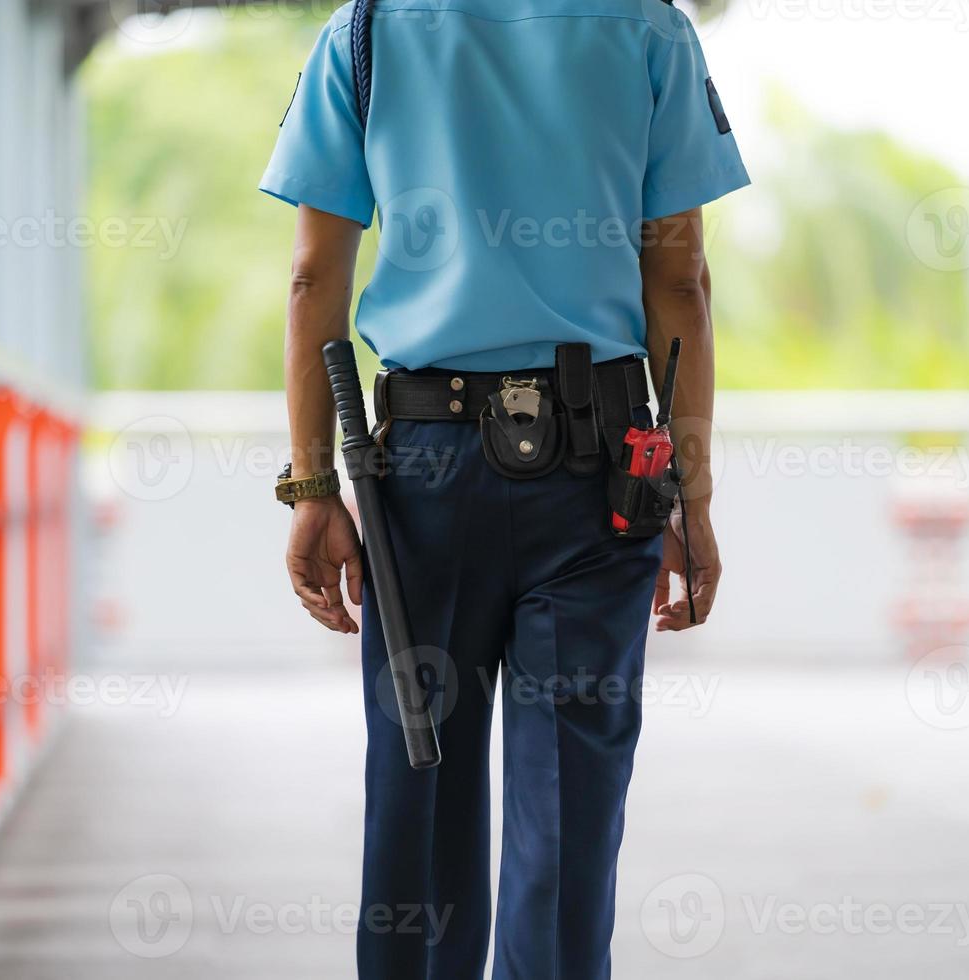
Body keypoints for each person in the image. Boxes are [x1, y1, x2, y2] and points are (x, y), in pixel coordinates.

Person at [260, 0, 749, 976]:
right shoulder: (647, 29)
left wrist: (314, 485)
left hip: (425, 476)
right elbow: (680, 282)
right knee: (566, 823)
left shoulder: (364, 33)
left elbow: (316, 276)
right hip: (601, 471)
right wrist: (689, 497)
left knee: (419, 808)